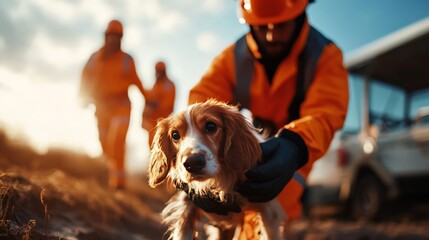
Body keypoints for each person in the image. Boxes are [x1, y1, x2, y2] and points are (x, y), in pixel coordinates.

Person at [187, 0, 349, 237]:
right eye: (263, 26)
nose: (272, 35)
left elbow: (326, 112)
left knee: (273, 213)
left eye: (281, 25)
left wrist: (295, 146)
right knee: (222, 215)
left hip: (296, 153)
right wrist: (188, 149)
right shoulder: (231, 58)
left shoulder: (325, 56)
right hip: (254, 141)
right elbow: (199, 104)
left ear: (301, 14)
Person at [78, 19, 145, 190]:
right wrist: (82, 97)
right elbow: (85, 78)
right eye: (111, 35)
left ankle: (119, 184)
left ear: (121, 38)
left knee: (117, 141)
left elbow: (137, 82)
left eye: (117, 36)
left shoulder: (127, 60)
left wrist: (148, 99)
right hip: (101, 106)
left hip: (122, 106)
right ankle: (111, 175)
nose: (113, 39)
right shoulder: (94, 58)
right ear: (106, 36)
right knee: (104, 143)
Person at [142, 60, 176, 147]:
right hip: (152, 125)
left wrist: (155, 104)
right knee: (152, 148)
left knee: (165, 148)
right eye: (156, 70)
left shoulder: (169, 85)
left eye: (159, 70)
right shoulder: (155, 85)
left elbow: (168, 104)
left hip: (165, 124)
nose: (157, 72)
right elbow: (149, 101)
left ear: (164, 71)